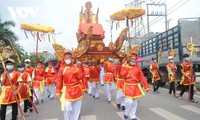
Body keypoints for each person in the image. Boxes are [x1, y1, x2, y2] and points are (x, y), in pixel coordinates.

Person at [120, 54, 150, 120]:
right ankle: (126, 113)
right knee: (129, 102)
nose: (134, 61)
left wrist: (146, 86)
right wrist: (127, 68)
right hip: (128, 86)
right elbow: (122, 75)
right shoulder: (124, 66)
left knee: (135, 101)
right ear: (129, 60)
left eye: (135, 59)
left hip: (136, 86)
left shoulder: (137, 68)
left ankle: (133, 115)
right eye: (132, 59)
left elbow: (142, 77)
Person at [56, 52, 84, 120]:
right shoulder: (62, 69)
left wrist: (77, 70)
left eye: (69, 58)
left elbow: (81, 77)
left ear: (71, 59)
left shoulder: (76, 67)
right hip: (67, 91)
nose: (67, 59)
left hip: (77, 90)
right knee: (67, 108)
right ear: (64, 59)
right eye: (66, 58)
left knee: (76, 110)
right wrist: (58, 92)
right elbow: (59, 81)